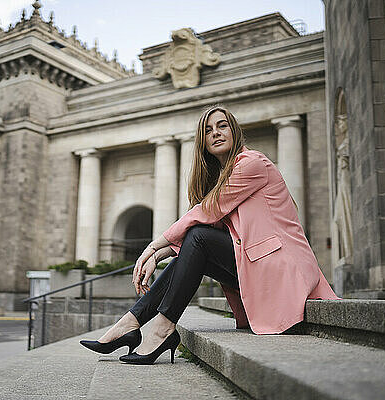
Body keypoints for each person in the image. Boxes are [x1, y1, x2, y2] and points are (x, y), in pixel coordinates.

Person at [80, 105, 340, 365]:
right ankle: (131, 323)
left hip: (281, 268)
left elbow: (206, 212)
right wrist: (160, 253)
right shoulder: (224, 178)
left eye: (222, 126)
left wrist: (152, 248)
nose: (215, 133)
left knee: (198, 236)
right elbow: (212, 227)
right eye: (208, 130)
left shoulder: (252, 163)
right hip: (256, 266)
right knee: (198, 238)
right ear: (202, 141)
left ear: (235, 130)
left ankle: (159, 327)